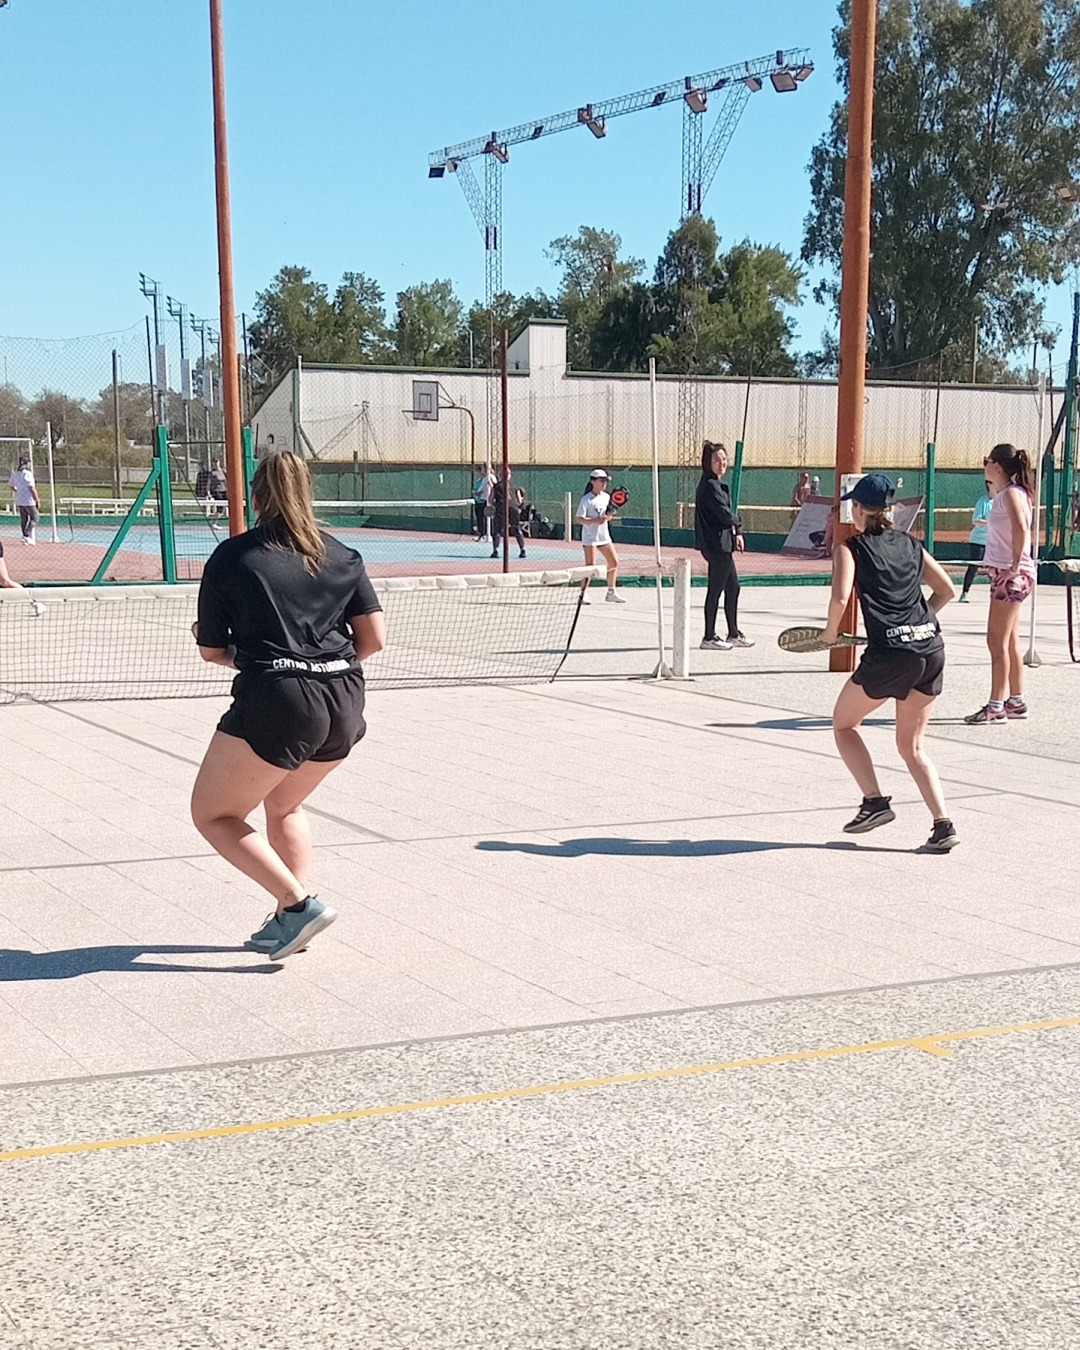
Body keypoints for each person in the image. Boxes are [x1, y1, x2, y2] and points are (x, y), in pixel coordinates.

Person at [190, 450, 386, 961]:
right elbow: (374, 640)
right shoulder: (341, 554)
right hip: (345, 697)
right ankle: (291, 923)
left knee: (214, 814)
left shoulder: (233, 557)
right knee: (286, 804)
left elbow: (212, 650)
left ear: (257, 496)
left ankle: (297, 905)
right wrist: (321, 667)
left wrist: (277, 668)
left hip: (279, 699)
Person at [824, 473, 959, 853]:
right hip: (930, 651)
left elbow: (839, 599)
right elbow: (946, 589)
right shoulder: (912, 544)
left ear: (860, 509)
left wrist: (830, 634)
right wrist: (920, 623)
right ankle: (943, 825)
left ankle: (874, 801)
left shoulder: (849, 548)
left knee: (844, 724)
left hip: (889, 656)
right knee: (912, 747)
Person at [964, 443, 1036, 725]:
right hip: (1006, 573)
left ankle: (996, 706)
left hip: (1011, 576)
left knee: (996, 641)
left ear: (997, 465)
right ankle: (1015, 701)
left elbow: (1021, 527)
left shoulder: (1011, 495)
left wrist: (1014, 565)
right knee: (1011, 641)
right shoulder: (1006, 494)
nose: (984, 466)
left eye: (986, 461)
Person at [695, 441, 752, 649]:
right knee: (715, 590)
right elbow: (723, 514)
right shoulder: (709, 486)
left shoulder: (717, 485)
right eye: (717, 460)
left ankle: (733, 633)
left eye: (724, 460)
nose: (722, 464)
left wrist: (737, 531)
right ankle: (709, 636)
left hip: (723, 543)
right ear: (707, 463)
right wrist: (738, 523)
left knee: (733, 588)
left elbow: (726, 516)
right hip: (716, 545)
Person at [576, 469, 624, 603]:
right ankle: (583, 594)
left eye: (605, 481)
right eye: (601, 480)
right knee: (590, 566)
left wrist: (608, 517)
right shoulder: (586, 499)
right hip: (590, 538)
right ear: (593, 481)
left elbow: (608, 515)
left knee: (614, 562)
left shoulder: (607, 497)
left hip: (604, 536)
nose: (604, 483)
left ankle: (611, 592)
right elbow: (579, 518)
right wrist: (594, 521)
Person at [959, 484, 993, 602]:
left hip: (993, 541)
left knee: (993, 567)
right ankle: (964, 593)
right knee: (973, 567)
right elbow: (975, 520)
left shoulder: (1001, 502)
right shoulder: (983, 502)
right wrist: (991, 523)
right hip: (978, 541)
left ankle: (996, 593)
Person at [490, 468, 526, 560]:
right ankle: (522, 550)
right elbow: (519, 500)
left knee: (497, 530)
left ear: (500, 475)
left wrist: (494, 504)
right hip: (513, 509)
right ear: (509, 475)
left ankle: (496, 550)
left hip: (501, 508)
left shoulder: (496, 486)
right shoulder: (514, 488)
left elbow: (490, 499)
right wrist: (518, 507)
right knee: (516, 529)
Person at [8, 456, 40, 546]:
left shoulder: (16, 473)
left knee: (24, 518)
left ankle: (25, 536)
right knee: (35, 517)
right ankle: (27, 535)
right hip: (28, 500)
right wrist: (37, 499)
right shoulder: (28, 474)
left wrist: (17, 490)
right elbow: (32, 488)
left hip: (19, 499)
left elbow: (10, 484)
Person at [472, 467, 495, 540]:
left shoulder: (490, 477)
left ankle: (487, 534)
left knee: (486, 518)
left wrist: (477, 492)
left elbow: (493, 486)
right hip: (482, 501)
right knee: (480, 519)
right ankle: (482, 534)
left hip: (487, 501)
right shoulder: (483, 479)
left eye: (482, 469)